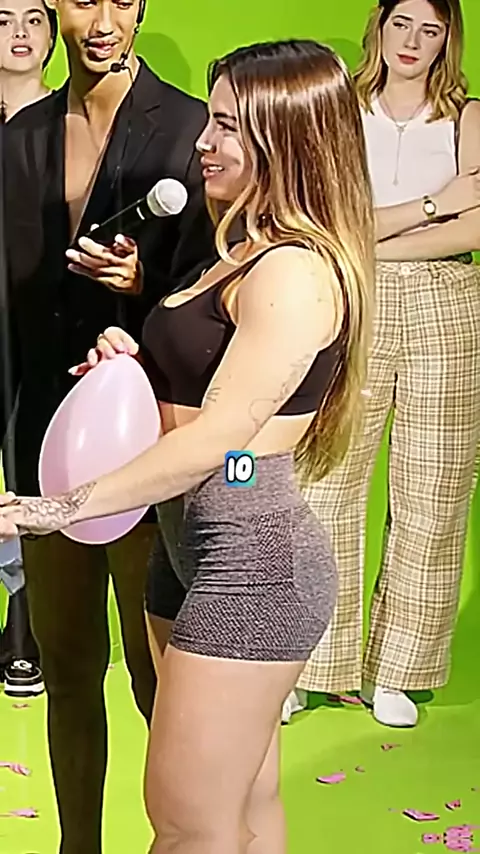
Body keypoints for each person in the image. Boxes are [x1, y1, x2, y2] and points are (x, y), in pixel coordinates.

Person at [0, 39, 375, 854]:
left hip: (252, 565)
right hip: (187, 549)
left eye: (230, 126)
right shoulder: (239, 248)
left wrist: (54, 508)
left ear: (290, 140)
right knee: (243, 806)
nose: (204, 140)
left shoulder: (294, 273)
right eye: (213, 118)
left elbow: (220, 440)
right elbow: (198, 387)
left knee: (186, 826)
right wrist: (133, 363)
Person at [2, 0, 214, 851]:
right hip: (40, 435)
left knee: (157, 675)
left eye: (122, 0)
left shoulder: (189, 128)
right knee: (67, 666)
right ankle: (76, 846)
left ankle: (186, 838)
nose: (103, 21)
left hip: (144, 431)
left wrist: (141, 288)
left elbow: (219, 286)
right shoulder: (20, 137)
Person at [293, 0, 480, 729]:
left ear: (447, 40)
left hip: (449, 304)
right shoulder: (341, 109)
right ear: (380, 25)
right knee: (323, 482)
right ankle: (308, 665)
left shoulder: (468, 118)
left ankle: (399, 671)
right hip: (351, 300)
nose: (413, 41)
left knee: (434, 491)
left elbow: (476, 225)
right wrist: (435, 205)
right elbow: (323, 220)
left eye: (431, 30)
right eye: (403, 24)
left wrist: (368, 237)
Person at [0, 0, 59, 698]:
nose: (18, 33)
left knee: (31, 481)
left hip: (45, 326)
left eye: (33, 18)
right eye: (2, 18)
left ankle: (25, 636)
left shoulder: (72, 122)